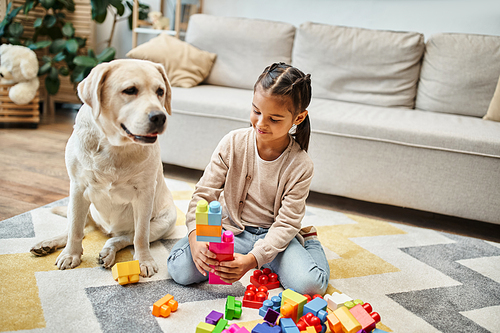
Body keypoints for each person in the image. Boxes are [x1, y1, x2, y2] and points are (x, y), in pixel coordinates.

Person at [167, 62, 330, 295]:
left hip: (274, 236)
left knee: (311, 286)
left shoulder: (301, 165)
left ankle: (311, 242)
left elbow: (286, 223)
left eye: (274, 119)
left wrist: (252, 260)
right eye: (256, 111)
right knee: (180, 270)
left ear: (298, 118)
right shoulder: (232, 142)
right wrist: (195, 237)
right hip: (229, 228)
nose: (261, 123)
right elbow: (204, 193)